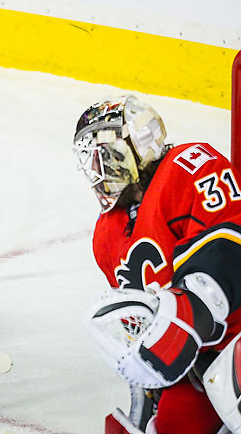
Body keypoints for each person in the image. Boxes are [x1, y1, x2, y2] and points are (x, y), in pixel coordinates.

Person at [73, 95, 241, 434]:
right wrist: (145, 394)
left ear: (130, 150)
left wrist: (196, 306)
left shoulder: (191, 165)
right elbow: (140, 329)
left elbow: (232, 235)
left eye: (100, 158)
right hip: (195, 366)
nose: (95, 172)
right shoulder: (106, 236)